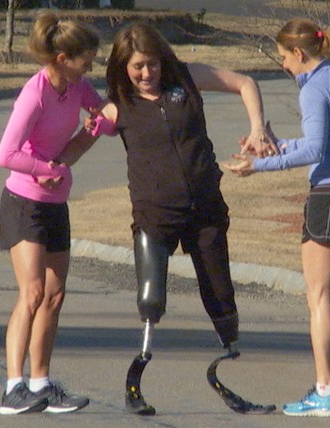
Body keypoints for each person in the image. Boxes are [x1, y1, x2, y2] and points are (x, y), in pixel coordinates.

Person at [87, 21, 276, 415]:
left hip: (205, 208)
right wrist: (46, 163)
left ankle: (228, 356)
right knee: (151, 298)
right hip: (155, 214)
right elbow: (82, 134)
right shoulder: (118, 104)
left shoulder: (186, 79)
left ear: (163, 60)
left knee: (221, 295)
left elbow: (245, 82)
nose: (145, 74)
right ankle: (138, 374)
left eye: (152, 65)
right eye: (137, 66)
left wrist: (258, 127)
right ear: (123, 66)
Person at [224, 18, 330, 417]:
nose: (282, 65)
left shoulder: (314, 87)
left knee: (318, 297)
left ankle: (325, 392)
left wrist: (258, 166)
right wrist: (278, 145)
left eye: (283, 57)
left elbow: (315, 151)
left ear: (299, 53)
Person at [0, 11, 102, 415]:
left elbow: (104, 120)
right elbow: (5, 154)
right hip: (24, 203)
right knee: (33, 292)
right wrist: (47, 169)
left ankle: (40, 383)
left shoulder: (77, 88)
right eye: (85, 60)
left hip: (56, 204)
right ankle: (13, 388)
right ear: (62, 59)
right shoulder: (35, 93)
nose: (90, 66)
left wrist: (98, 123)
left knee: (54, 296)